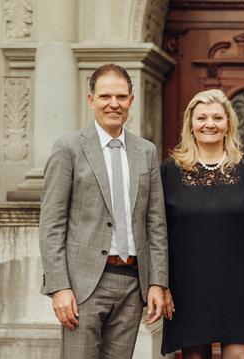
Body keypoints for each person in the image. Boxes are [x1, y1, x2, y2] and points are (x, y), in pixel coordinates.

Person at [39, 63, 168, 358]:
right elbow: (51, 224)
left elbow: (155, 222)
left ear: (131, 101)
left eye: (121, 97)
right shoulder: (68, 148)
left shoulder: (145, 151)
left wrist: (157, 282)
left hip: (133, 283)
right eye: (106, 96)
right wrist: (59, 287)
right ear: (91, 99)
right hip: (83, 286)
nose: (114, 104)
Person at [160, 89, 244, 359]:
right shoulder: (170, 170)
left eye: (217, 117)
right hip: (187, 285)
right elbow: (157, 232)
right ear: (190, 124)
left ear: (228, 124)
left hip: (240, 285)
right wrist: (160, 284)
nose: (209, 124)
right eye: (202, 118)